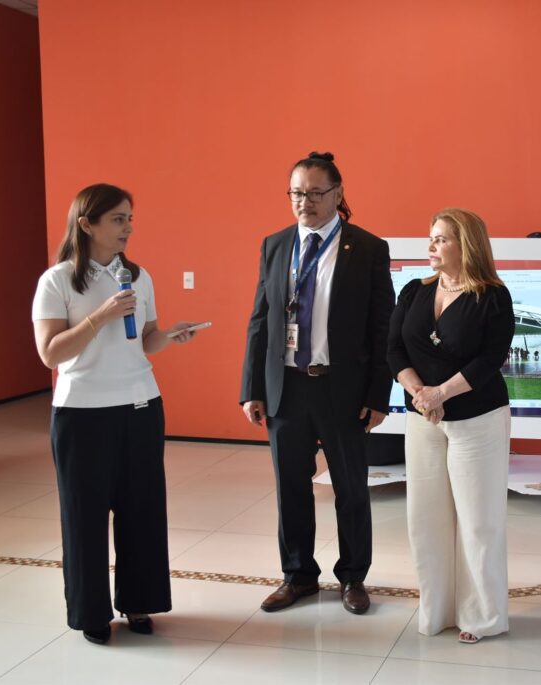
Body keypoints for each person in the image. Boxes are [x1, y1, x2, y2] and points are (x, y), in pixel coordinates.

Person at [32, 183, 199, 644]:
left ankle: (139, 602)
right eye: (118, 219)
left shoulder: (139, 277)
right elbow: (49, 354)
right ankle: (91, 613)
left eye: (130, 218)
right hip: (82, 414)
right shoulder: (57, 281)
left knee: (142, 510)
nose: (129, 228)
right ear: (87, 224)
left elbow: (145, 340)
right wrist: (98, 316)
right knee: (84, 517)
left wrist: (171, 336)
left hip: (141, 406)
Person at [240, 152, 394, 615]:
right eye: (295, 193)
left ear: (338, 194)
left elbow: (382, 328)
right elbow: (261, 319)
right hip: (286, 387)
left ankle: (353, 577)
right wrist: (252, 387)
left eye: (314, 193)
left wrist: (378, 395)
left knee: (351, 488)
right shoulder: (275, 244)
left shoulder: (367, 248)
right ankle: (298, 576)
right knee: (291, 486)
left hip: (341, 388)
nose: (303, 202)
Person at [387, 208, 514, 644]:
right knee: (426, 519)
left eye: (441, 238)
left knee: (478, 522)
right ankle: (437, 609)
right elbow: (393, 349)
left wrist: (441, 393)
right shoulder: (414, 291)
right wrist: (421, 394)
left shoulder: (493, 296)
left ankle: (482, 615)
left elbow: (490, 359)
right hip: (423, 419)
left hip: (478, 419)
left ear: (467, 245)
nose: (431, 246)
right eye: (431, 237)